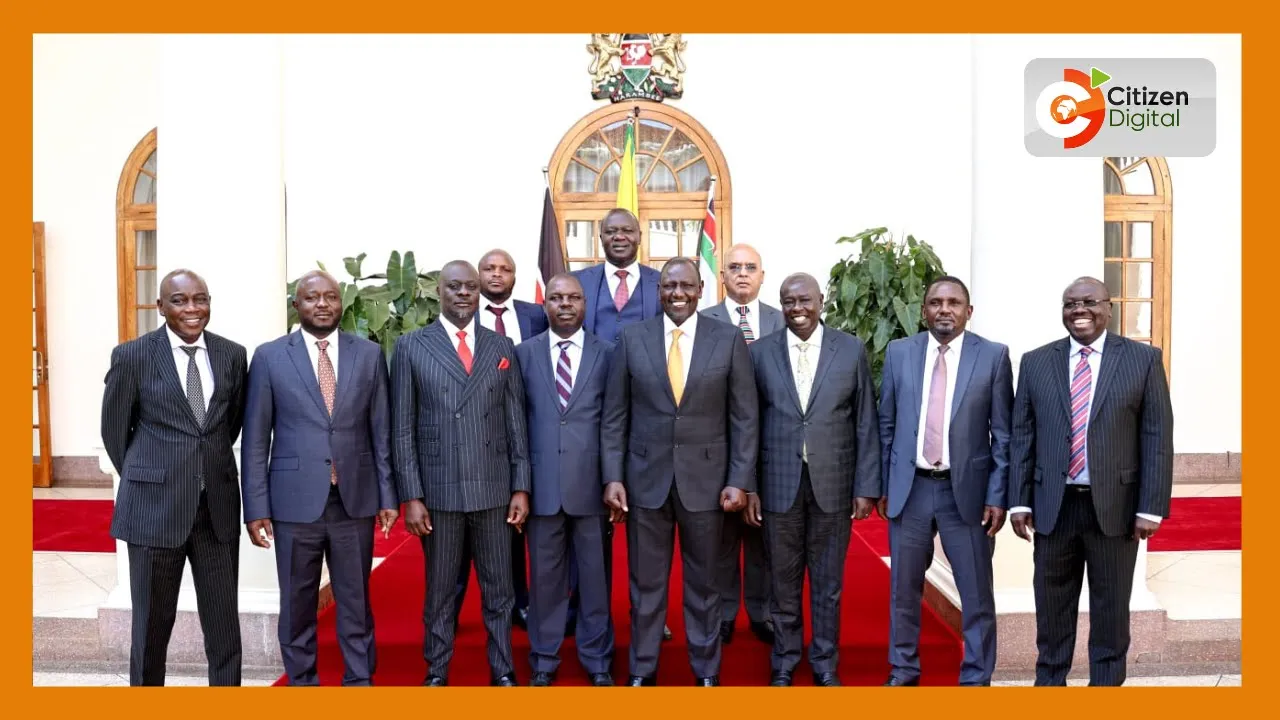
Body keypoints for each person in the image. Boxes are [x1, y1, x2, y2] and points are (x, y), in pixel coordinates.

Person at [1009, 276, 1173, 686]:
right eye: (1070, 303)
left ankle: (1105, 686)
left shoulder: (1143, 360)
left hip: (1115, 509)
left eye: (1089, 302)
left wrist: (1151, 506)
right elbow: (1022, 434)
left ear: (1108, 307)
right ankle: (1050, 683)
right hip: (1053, 506)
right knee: (1051, 608)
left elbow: (1156, 436)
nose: (1079, 310)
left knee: (1111, 609)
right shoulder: (1036, 361)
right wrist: (1019, 501)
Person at [602, 256, 758, 686]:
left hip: (708, 486)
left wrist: (739, 479)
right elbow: (615, 415)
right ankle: (643, 671)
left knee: (704, 586)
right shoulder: (632, 339)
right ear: (659, 291)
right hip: (644, 483)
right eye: (669, 286)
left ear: (701, 289)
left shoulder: (727, 340)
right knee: (645, 586)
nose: (677, 293)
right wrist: (613, 476)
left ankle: (706, 672)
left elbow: (744, 417)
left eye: (685, 286)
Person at [240, 270, 399, 686]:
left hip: (355, 500)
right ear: (297, 305)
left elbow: (381, 431)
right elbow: (256, 439)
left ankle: (359, 681)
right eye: (313, 298)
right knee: (297, 602)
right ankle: (303, 682)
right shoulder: (270, 357)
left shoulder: (367, 354)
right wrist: (255, 506)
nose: (323, 304)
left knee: (356, 600)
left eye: (330, 296)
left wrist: (388, 495)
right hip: (293, 504)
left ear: (340, 302)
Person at [101, 268, 248, 686]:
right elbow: (115, 432)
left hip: (215, 511)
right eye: (180, 301)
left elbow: (228, 425)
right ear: (161, 306)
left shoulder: (232, 355)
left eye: (199, 299)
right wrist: (152, 476)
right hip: (153, 511)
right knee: (150, 632)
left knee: (224, 631)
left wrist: (203, 469)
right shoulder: (132, 356)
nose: (192, 309)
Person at [390, 260, 532, 687]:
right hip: (439, 491)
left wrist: (521, 486)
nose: (464, 294)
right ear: (440, 291)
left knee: (500, 591)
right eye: (455, 287)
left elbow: (516, 424)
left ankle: (503, 669)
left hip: (492, 488)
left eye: (471, 287)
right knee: (440, 593)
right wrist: (411, 495)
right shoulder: (413, 346)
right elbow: (402, 428)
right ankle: (437, 669)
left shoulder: (501, 348)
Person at [746, 272, 880, 687]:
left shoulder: (850, 349)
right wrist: (749, 484)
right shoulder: (760, 352)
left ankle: (824, 663)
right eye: (788, 302)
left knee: (828, 582)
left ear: (821, 300)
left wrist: (865, 486)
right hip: (777, 483)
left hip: (833, 485)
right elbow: (747, 423)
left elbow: (865, 424)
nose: (797, 309)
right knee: (782, 582)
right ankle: (784, 660)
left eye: (805, 300)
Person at [878, 275, 1013, 687]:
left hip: (966, 493)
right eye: (936, 302)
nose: (944, 309)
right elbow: (886, 422)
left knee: (975, 594)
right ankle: (903, 671)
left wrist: (997, 494)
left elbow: (1003, 435)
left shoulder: (991, 356)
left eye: (954, 302)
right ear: (924, 310)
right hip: (911, 489)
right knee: (904, 591)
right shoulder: (900, 353)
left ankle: (976, 678)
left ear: (968, 312)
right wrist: (885, 484)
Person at [513, 273, 616, 686]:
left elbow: (614, 423)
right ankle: (544, 660)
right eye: (556, 298)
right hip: (541, 489)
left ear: (585, 304)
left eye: (573, 297)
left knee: (595, 583)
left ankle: (598, 662)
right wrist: (519, 485)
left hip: (592, 489)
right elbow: (516, 425)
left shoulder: (608, 354)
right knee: (545, 583)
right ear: (545, 305)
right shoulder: (523, 355)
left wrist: (613, 480)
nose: (565, 304)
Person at [572, 207, 670, 641]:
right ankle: (589, 611)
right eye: (610, 231)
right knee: (590, 526)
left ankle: (648, 614)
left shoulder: (659, 284)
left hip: (648, 421)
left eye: (626, 230)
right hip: (589, 420)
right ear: (600, 237)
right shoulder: (580, 284)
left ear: (639, 235)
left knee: (646, 529)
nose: (619, 237)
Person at [452, 249, 550, 631]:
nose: (496, 275)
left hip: (528, 434)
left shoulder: (536, 316)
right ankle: (453, 606)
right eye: (489, 269)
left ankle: (519, 603)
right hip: (475, 440)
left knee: (518, 526)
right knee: (461, 537)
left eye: (504, 269)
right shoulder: (459, 317)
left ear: (514, 276)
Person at [699, 243, 782, 645]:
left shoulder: (784, 321)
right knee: (724, 538)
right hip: (718, 446)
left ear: (762, 276)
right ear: (723, 276)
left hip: (771, 446)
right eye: (735, 267)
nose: (743, 273)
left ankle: (762, 611)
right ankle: (726, 612)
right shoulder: (702, 321)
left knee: (763, 535)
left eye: (751, 267)